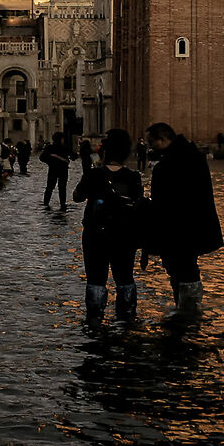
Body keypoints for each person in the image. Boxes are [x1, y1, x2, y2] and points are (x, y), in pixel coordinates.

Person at [141, 123, 222, 313]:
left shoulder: (168, 166)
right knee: (186, 268)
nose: (151, 147)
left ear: (164, 139)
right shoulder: (194, 157)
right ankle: (189, 314)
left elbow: (161, 205)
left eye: (153, 142)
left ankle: (186, 315)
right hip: (195, 227)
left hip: (177, 230)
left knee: (181, 269)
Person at [73, 128, 145, 325]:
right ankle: (127, 318)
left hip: (96, 235)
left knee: (96, 277)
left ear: (104, 152)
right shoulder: (134, 177)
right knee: (125, 277)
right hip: (125, 236)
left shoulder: (93, 174)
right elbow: (139, 205)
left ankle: (95, 320)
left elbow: (77, 197)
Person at [42, 134, 72, 211]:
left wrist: (50, 162)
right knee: (62, 188)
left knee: (49, 187)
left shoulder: (50, 148)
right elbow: (74, 156)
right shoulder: (65, 148)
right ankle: (62, 203)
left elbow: (42, 157)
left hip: (53, 169)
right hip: (63, 170)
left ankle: (46, 203)